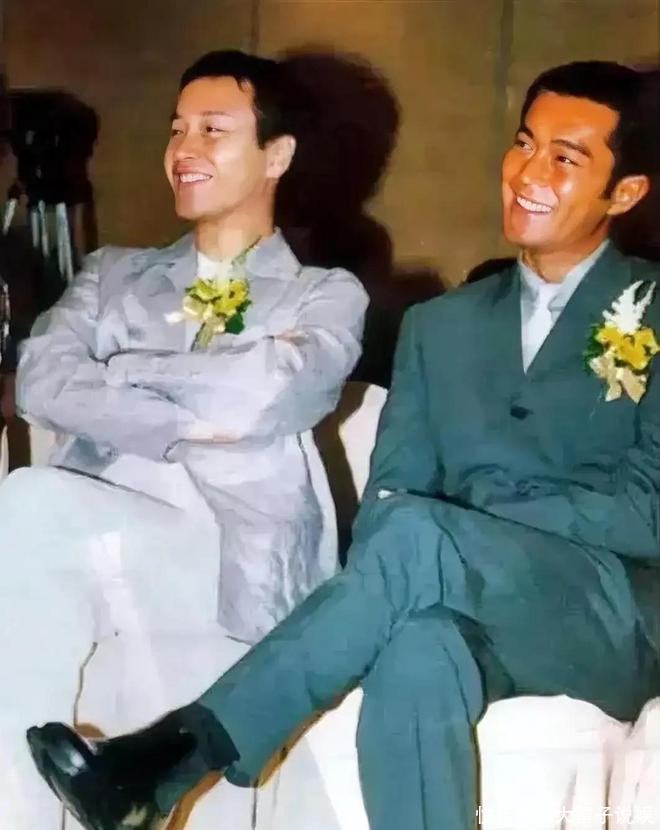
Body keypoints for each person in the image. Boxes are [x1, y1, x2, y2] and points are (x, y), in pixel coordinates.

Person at [28, 60, 660, 830]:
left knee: (418, 537)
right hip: (461, 602)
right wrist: (441, 535)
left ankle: (170, 761)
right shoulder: (440, 325)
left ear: (624, 191)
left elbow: (648, 513)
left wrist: (464, 529)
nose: (528, 173)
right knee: (418, 649)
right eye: (524, 144)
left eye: (565, 158)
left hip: (612, 621)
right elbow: (392, 497)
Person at [0, 50, 366, 830]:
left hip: (237, 556)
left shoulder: (326, 295)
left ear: (277, 155)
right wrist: (191, 418)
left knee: (29, 502)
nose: (182, 149)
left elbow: (269, 393)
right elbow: (40, 381)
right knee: (33, 519)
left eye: (212, 129)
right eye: (176, 128)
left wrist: (119, 374)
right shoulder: (111, 275)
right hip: (96, 539)